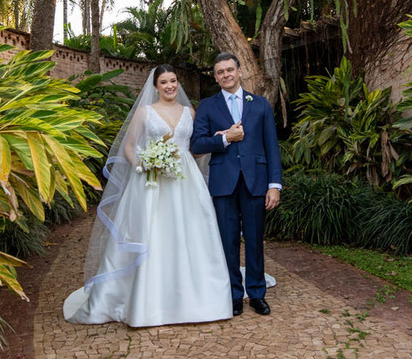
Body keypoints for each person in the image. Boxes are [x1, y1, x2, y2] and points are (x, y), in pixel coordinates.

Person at [63, 65, 233, 327]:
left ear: (178, 83)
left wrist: (219, 138)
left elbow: (195, 148)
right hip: (152, 182)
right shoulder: (144, 113)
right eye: (164, 82)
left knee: (192, 234)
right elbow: (129, 148)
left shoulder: (190, 112)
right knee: (154, 235)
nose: (169, 86)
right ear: (155, 86)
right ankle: (146, 302)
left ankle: (199, 300)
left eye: (173, 81)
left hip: (186, 181)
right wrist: (145, 166)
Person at [191, 52, 283, 316]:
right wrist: (224, 139)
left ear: (240, 71)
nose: (225, 75)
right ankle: (232, 294)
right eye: (220, 72)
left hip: (256, 181)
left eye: (229, 70)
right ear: (216, 77)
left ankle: (256, 293)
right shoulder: (208, 106)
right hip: (223, 183)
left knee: (255, 240)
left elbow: (271, 147)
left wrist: (274, 184)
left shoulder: (261, 104)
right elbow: (197, 144)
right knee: (227, 241)